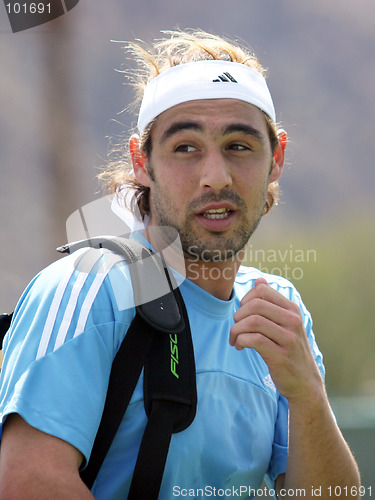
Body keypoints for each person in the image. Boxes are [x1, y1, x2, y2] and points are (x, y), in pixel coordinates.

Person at [0, 30, 360, 499]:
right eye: (186, 147)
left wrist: (309, 397)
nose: (216, 177)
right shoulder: (89, 288)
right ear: (141, 162)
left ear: (277, 159)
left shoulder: (280, 311)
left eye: (239, 145)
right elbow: (26, 482)